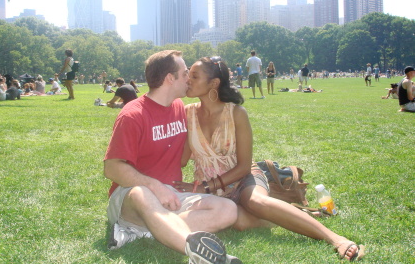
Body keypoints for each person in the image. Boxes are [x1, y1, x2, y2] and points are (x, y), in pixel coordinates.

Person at [174, 56, 365, 262]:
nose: (188, 80)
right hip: (213, 192)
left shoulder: (236, 113)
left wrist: (206, 187)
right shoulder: (186, 114)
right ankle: (288, 213)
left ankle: (336, 239)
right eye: (188, 75)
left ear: (214, 83)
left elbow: (244, 167)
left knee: (255, 202)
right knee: (238, 223)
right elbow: (181, 160)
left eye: (194, 76)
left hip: (243, 179)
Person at [103, 50, 242, 264]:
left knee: (227, 210)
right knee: (142, 193)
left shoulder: (179, 108)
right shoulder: (133, 115)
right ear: (170, 78)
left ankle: (145, 232)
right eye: (185, 72)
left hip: (171, 195)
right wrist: (155, 186)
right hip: (130, 198)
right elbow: (112, 168)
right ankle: (203, 256)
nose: (189, 77)